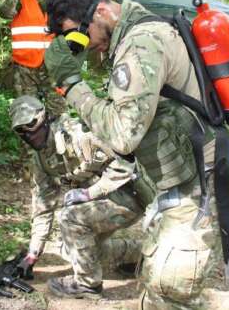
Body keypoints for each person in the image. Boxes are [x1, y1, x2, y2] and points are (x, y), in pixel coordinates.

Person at [43, 0, 229, 309]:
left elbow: (122, 134)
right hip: (174, 177)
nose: (84, 44)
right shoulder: (135, 35)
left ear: (102, 11)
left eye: (81, 33)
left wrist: (72, 85)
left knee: (168, 295)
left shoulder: (141, 44)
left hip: (195, 185)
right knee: (160, 290)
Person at [8, 96, 151, 299]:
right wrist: (33, 253)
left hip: (131, 195)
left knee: (69, 218)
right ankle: (141, 254)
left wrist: (88, 193)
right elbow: (42, 207)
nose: (28, 134)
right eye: (20, 130)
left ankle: (87, 285)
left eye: (31, 125)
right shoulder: (41, 160)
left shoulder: (78, 134)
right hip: (104, 202)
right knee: (74, 250)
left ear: (44, 118)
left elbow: (125, 166)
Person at [0, 0, 65, 116]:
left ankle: (58, 141)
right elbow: (5, 12)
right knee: (27, 118)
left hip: (54, 67)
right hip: (25, 69)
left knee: (59, 115)